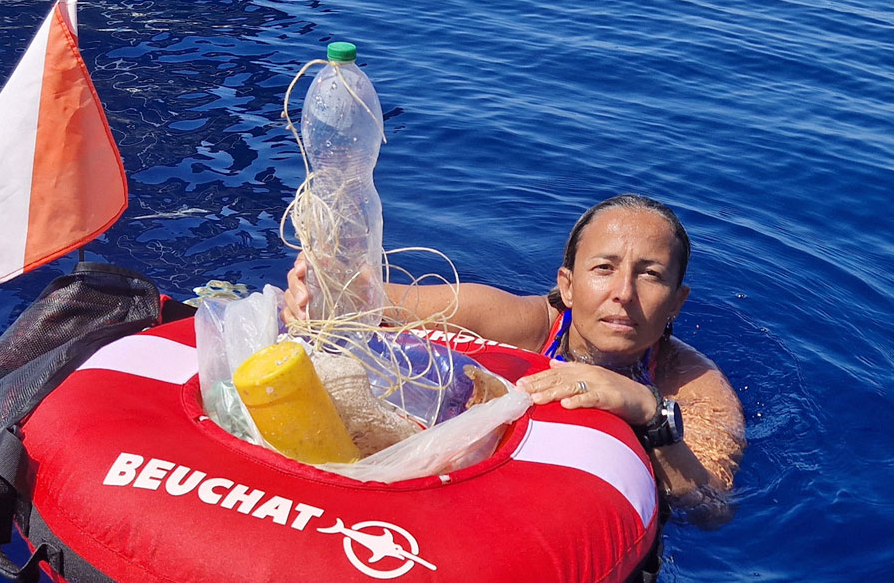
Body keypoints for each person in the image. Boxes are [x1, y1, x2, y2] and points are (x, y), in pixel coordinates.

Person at [284, 194, 745, 525]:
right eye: (603, 268)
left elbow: (711, 510)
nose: (623, 292)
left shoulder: (692, 385)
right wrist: (314, 293)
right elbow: (365, 299)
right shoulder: (521, 323)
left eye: (650, 274)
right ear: (567, 285)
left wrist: (648, 411)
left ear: (677, 301)